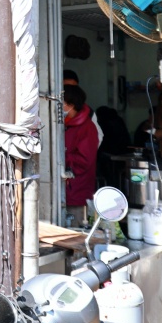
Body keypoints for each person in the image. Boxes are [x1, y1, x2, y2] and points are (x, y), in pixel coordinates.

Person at [62, 85, 99, 225]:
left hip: (76, 190)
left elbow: (84, 161)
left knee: (74, 230)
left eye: (63, 103)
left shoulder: (87, 128)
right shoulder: (65, 125)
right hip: (65, 190)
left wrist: (61, 159)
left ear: (71, 105)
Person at [63, 70, 104, 144]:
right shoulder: (47, 109)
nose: (70, 91)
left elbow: (98, 137)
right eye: (66, 88)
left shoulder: (87, 111)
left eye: (73, 88)